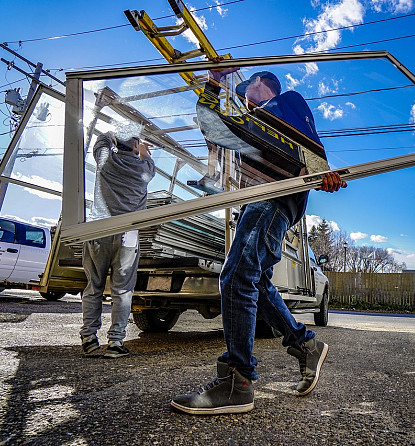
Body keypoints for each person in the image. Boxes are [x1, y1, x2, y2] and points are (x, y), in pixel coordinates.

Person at [171, 69, 346, 415]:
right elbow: (210, 124)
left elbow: (308, 140)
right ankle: (305, 344)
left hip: (273, 200)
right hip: (258, 203)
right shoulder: (249, 125)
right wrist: (213, 85)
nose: (244, 93)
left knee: (236, 277)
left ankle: (239, 380)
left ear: (264, 84)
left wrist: (322, 170)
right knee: (257, 283)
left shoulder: (284, 103)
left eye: (247, 85)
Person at [80, 129, 155, 358]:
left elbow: (101, 140)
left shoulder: (106, 160)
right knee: (122, 291)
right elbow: (148, 160)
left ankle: (89, 338)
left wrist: (117, 133)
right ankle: (115, 343)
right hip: (128, 235)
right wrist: (142, 149)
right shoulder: (144, 169)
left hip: (99, 230)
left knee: (94, 286)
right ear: (134, 146)